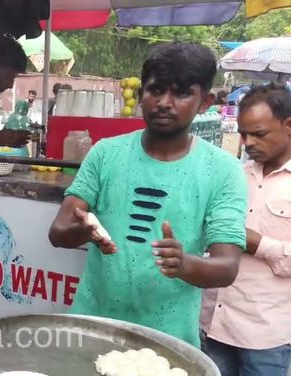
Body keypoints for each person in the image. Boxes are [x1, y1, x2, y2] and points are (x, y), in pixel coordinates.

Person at [47, 43, 248, 347]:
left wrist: (185, 264)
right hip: (91, 331)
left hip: (166, 346)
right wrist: (82, 231)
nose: (164, 103)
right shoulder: (105, 153)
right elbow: (58, 232)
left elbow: (227, 266)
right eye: (155, 90)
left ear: (204, 101)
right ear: (141, 95)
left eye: (181, 93)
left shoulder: (223, 171)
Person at [201, 84, 291, 376]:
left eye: (259, 133)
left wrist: (258, 244)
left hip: (264, 331)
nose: (249, 142)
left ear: (289, 126)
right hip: (217, 319)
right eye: (243, 133)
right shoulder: (234, 176)